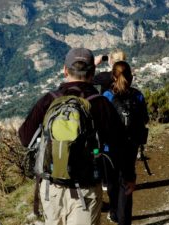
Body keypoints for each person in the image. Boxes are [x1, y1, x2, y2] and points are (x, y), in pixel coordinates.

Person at [18, 48, 131, 225]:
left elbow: (25, 138)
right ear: (93, 73)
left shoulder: (48, 100)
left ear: (65, 70)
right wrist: (128, 177)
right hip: (85, 189)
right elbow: (120, 145)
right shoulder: (100, 103)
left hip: (51, 188)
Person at [103, 61, 149, 225]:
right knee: (127, 183)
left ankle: (114, 212)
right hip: (130, 146)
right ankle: (124, 221)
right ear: (130, 76)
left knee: (112, 182)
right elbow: (145, 119)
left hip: (109, 148)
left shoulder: (107, 96)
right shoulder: (138, 95)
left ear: (113, 76)